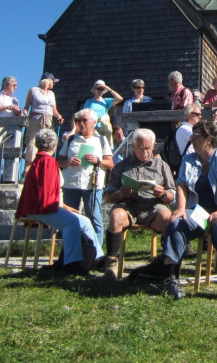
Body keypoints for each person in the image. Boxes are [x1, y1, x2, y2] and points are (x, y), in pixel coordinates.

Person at [162, 119, 217, 304]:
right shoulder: (189, 158)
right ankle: (171, 279)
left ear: (209, 139)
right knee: (176, 223)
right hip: (199, 211)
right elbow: (182, 185)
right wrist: (181, 209)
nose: (192, 138)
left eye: (196, 135)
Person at [16, 128, 103, 273]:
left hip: (44, 204)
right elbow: (47, 193)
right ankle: (71, 262)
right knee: (71, 222)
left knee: (85, 221)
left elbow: (49, 192)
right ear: (54, 145)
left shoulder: (41, 160)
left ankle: (98, 259)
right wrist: (61, 207)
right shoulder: (48, 161)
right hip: (41, 207)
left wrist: (65, 207)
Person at [102, 128, 176, 280]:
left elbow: (172, 196)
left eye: (148, 148)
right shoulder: (122, 166)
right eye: (140, 148)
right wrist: (120, 194)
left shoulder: (162, 166)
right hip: (129, 205)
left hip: (154, 206)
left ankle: (165, 263)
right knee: (116, 216)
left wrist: (162, 193)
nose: (144, 151)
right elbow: (108, 197)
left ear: (154, 146)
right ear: (133, 145)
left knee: (168, 219)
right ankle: (111, 263)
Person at [57, 109, 113, 244]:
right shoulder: (71, 139)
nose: (81, 124)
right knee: (69, 218)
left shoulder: (101, 140)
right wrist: (68, 162)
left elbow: (110, 163)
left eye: (84, 120)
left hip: (92, 185)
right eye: (78, 121)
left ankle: (96, 254)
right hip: (71, 183)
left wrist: (97, 161)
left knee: (94, 219)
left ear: (94, 122)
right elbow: (59, 161)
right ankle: (70, 253)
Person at [22, 74, 64, 179]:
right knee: (32, 143)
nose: (54, 83)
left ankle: (42, 170)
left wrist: (58, 116)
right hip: (36, 118)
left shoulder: (51, 94)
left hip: (48, 120)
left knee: (47, 144)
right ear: (47, 80)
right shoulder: (34, 90)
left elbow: (54, 110)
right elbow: (27, 106)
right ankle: (27, 171)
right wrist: (24, 115)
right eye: (52, 81)